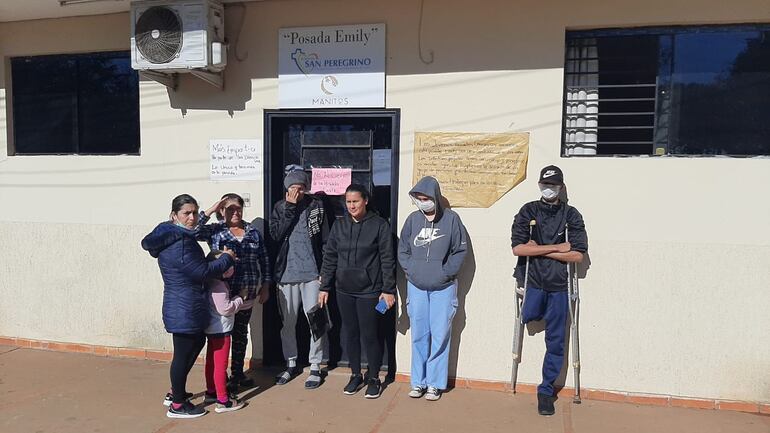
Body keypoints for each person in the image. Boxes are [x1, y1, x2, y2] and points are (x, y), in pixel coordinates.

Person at [141, 194, 235, 419]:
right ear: (175, 215)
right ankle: (178, 405)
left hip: (183, 304)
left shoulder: (169, 232)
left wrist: (209, 212)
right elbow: (201, 271)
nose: (192, 217)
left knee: (192, 346)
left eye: (195, 212)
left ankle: (176, 392)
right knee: (183, 353)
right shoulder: (181, 243)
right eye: (187, 213)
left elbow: (191, 229)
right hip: (185, 306)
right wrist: (227, 258)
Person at [510, 165, 587, 416]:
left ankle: (545, 391)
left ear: (561, 187)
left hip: (559, 287)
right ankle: (532, 313)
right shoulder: (528, 211)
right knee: (527, 318)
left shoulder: (571, 215)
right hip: (532, 281)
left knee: (555, 340)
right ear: (539, 185)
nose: (549, 189)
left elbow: (576, 254)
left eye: (553, 186)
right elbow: (519, 249)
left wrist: (540, 247)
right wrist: (557, 248)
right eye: (545, 185)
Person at [318, 184, 396, 399]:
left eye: (356, 201)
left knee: (371, 335)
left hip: (370, 292)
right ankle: (355, 374)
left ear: (365, 201)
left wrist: (388, 290)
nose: (351, 205)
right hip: (344, 289)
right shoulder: (339, 225)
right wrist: (325, 286)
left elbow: (387, 259)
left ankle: (373, 377)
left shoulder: (379, 225)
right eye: (348, 202)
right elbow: (330, 256)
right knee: (350, 334)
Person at [398, 176, 468, 401]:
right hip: (417, 287)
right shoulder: (412, 220)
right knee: (419, 335)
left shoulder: (452, 219)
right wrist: (412, 271)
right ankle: (418, 382)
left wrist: (445, 272)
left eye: (426, 197)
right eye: (419, 198)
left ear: (435, 197)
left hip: (443, 288)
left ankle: (435, 384)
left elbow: (460, 251)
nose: (422, 201)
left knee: (440, 335)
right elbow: (403, 250)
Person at [197, 193, 272, 390]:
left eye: (238, 208)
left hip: (247, 293)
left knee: (240, 335)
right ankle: (218, 380)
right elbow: (192, 231)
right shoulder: (215, 231)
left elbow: (264, 259)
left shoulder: (252, 232)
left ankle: (237, 375)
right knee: (221, 338)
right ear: (222, 211)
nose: (235, 212)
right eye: (229, 209)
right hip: (222, 295)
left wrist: (265, 285)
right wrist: (211, 209)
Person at [269, 169, 330, 389]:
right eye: (293, 187)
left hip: (312, 273)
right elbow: (275, 235)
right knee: (288, 322)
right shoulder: (279, 207)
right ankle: (291, 362)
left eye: (301, 187)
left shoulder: (316, 206)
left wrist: (325, 270)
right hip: (286, 274)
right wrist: (289, 207)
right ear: (287, 188)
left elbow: (325, 239)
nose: (297, 190)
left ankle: (315, 365)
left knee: (316, 320)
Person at [203, 251, 249, 413]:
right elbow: (226, 308)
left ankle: (211, 391)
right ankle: (223, 400)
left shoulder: (210, 282)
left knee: (211, 363)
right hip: (221, 331)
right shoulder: (219, 286)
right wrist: (240, 298)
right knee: (220, 366)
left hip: (211, 329)